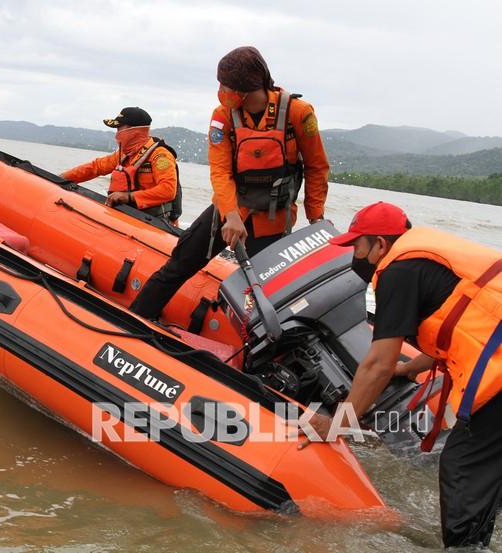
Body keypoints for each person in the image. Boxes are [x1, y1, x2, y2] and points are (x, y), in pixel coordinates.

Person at [300, 201, 502, 548]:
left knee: (460, 466)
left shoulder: (397, 270)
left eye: (357, 245)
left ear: (380, 244)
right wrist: (410, 369)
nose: (355, 255)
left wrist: (336, 424)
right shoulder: (423, 260)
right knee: (484, 465)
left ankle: (467, 547)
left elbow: (378, 363)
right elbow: (462, 319)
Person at [129, 46, 329, 320]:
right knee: (179, 264)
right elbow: (220, 171)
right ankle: (137, 317)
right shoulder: (222, 116)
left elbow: (317, 167)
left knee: (263, 295)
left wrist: (316, 218)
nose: (221, 91)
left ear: (245, 89)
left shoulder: (298, 114)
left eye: (225, 85)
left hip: (273, 219)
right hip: (228, 210)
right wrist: (231, 215)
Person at [60, 107, 181, 225]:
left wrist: (129, 197)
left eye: (119, 128)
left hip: (156, 223)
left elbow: (168, 190)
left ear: (133, 131)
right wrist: (62, 178)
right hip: (131, 216)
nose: (117, 134)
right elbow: (96, 167)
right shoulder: (124, 154)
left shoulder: (160, 156)